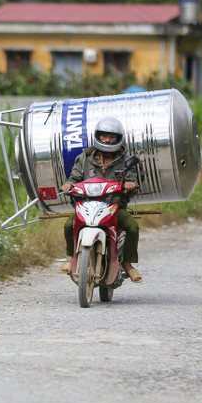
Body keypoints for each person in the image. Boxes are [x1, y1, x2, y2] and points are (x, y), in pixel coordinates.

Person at [59, 117, 142, 283]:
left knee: (132, 227)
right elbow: (75, 177)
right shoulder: (84, 158)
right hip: (87, 207)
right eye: (104, 136)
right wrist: (68, 185)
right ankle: (72, 258)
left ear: (118, 139)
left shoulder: (125, 160)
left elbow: (132, 178)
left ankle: (127, 264)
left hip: (114, 207)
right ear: (98, 136)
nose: (107, 140)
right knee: (69, 225)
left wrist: (130, 184)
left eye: (112, 137)